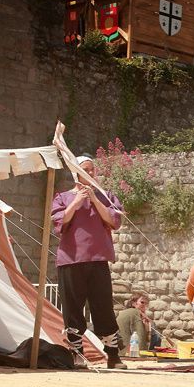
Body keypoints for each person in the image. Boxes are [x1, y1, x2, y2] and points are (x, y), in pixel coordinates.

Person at [51, 155, 126, 369]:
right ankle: (77, 354)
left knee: (102, 306)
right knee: (73, 309)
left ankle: (112, 355)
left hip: (97, 258)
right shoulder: (63, 197)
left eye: (92, 169)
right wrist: (76, 202)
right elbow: (60, 222)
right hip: (70, 260)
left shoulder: (106, 196)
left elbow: (113, 220)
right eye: (86, 169)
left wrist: (94, 199)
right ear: (76, 173)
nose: (91, 173)